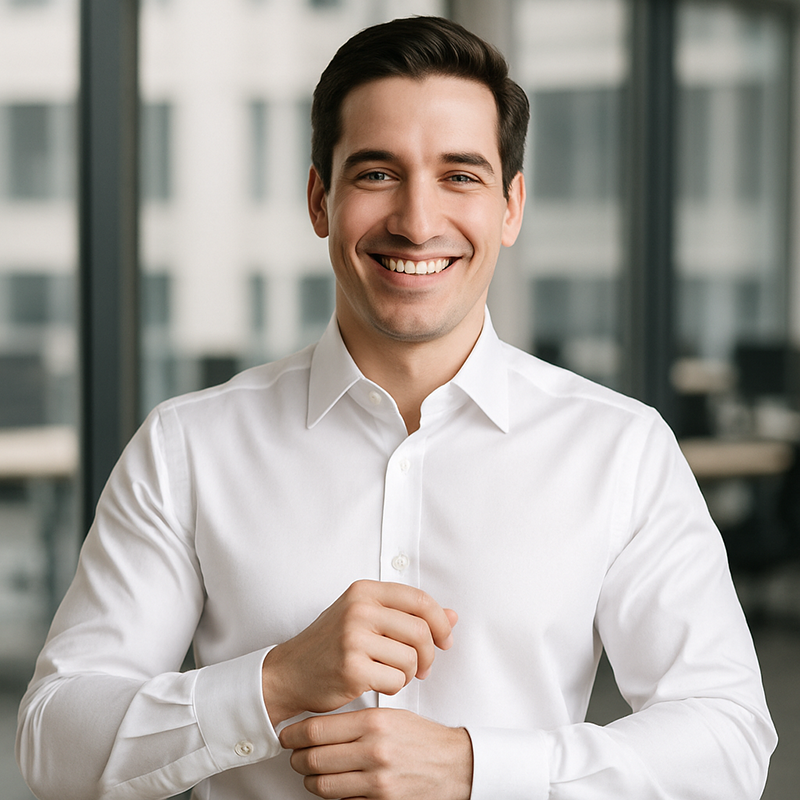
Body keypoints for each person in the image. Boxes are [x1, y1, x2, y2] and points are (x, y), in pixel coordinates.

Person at [17, 16, 775, 800]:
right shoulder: (188, 447)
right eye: (378, 174)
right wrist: (272, 683)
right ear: (320, 199)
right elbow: (54, 743)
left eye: (460, 175)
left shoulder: (620, 449)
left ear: (511, 207)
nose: (417, 221)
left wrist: (475, 768)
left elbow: (727, 741)